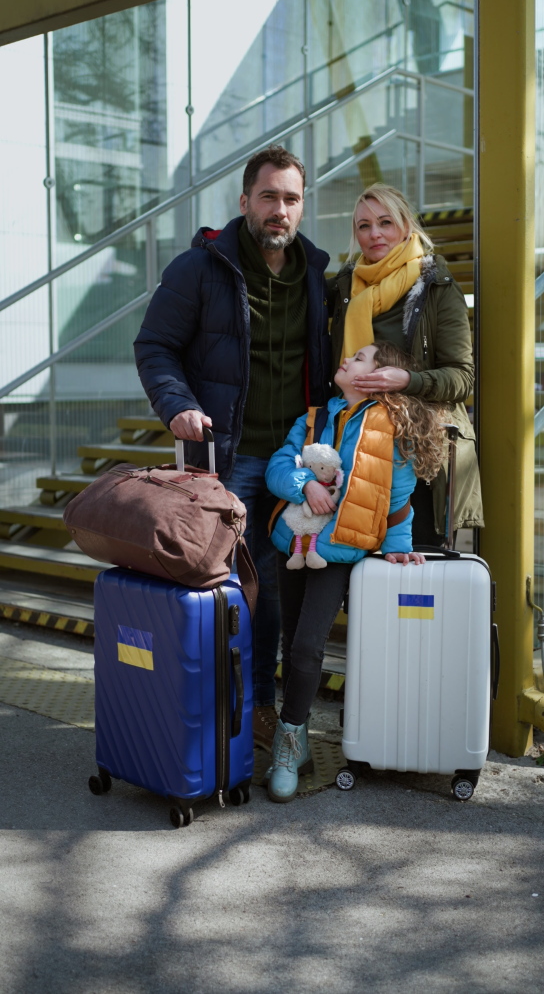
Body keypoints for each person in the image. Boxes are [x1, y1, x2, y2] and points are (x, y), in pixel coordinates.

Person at [134, 144, 330, 751]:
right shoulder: (201, 268)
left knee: (272, 591)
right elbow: (154, 346)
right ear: (244, 201)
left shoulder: (318, 274)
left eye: (291, 199)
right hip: (225, 458)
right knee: (219, 584)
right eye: (268, 196)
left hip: (292, 464)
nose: (280, 209)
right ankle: (211, 709)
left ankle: (261, 709)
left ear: (302, 207)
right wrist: (178, 405)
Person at [264, 340, 446, 802]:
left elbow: (397, 500)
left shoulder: (392, 428)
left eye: (360, 358)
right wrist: (305, 486)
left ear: (378, 376)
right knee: (290, 642)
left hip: (341, 553)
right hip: (292, 543)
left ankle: (287, 743)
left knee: (307, 646)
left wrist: (398, 549)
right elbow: (280, 465)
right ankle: (298, 740)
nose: (346, 359)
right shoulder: (313, 419)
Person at [329, 183, 483, 546]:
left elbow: (462, 378)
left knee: (414, 585)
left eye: (385, 222)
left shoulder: (437, 287)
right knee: (359, 581)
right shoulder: (344, 289)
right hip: (355, 454)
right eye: (363, 226)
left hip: (418, 457)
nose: (374, 233)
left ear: (406, 227)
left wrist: (407, 380)